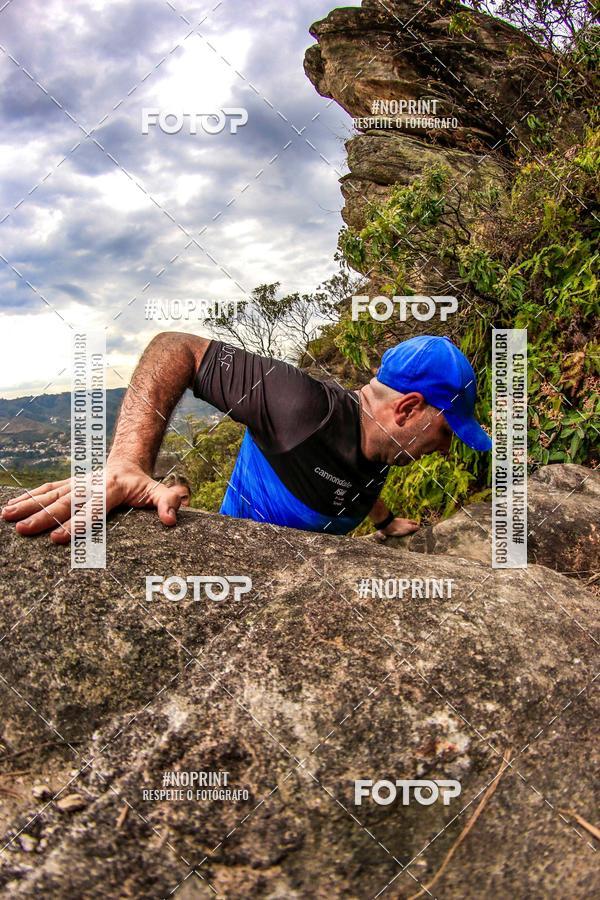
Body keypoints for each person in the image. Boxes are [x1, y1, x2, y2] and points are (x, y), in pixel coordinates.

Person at [1, 333, 491, 543]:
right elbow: (176, 350)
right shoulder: (303, 408)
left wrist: (381, 521)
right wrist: (127, 463)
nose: (447, 447)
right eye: (448, 431)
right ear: (407, 409)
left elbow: (359, 474)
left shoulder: (387, 442)